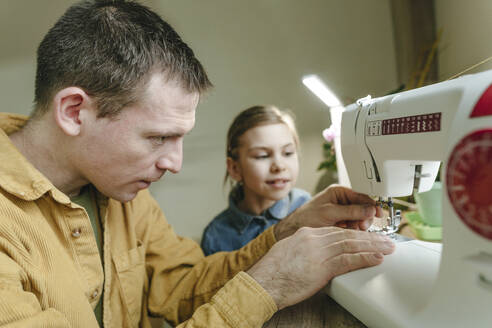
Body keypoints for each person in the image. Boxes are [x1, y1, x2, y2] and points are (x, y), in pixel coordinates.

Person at [0, 1, 394, 327]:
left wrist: (288, 230)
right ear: (73, 111)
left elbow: (185, 284)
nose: (175, 163)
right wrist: (269, 284)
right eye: (158, 137)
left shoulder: (119, 193)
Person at [201, 105, 311, 255]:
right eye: (262, 156)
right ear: (235, 168)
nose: (279, 166)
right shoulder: (215, 235)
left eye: (287, 152)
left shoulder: (311, 209)